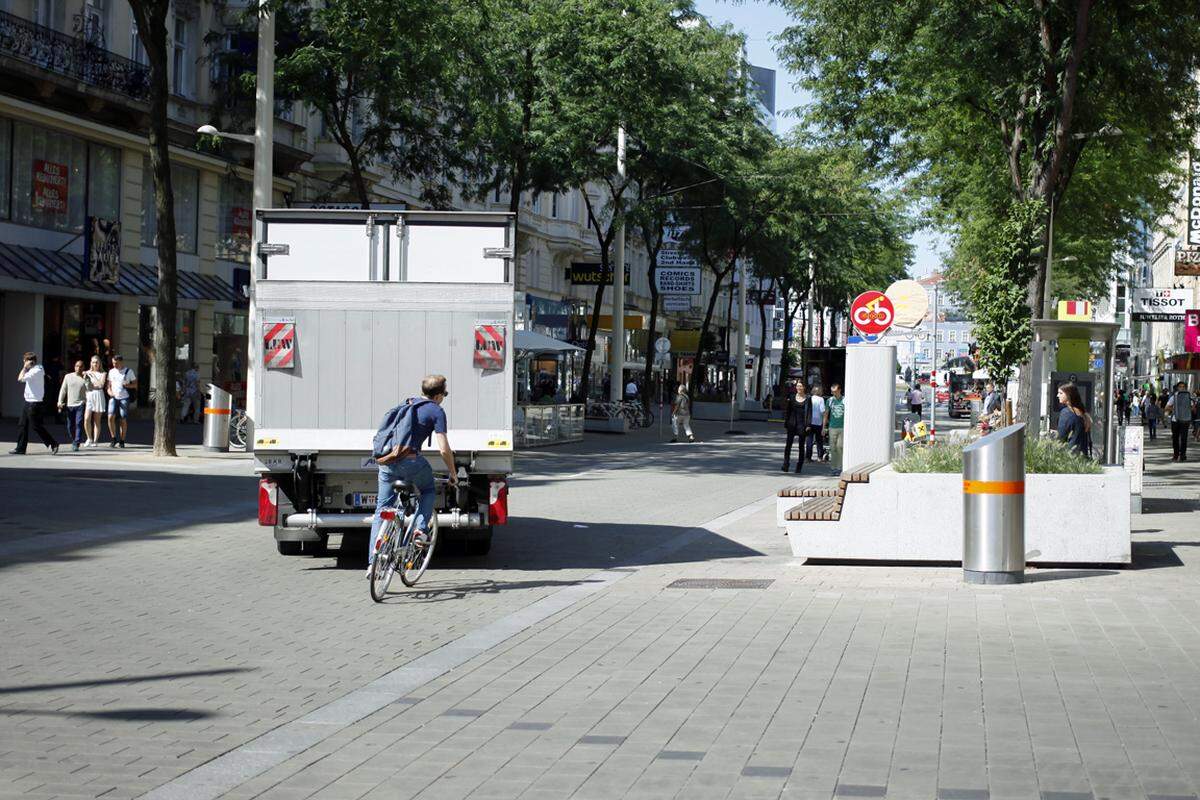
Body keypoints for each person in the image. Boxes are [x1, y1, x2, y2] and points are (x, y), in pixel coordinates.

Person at [367, 374, 458, 578]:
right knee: (427, 490)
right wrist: (452, 473)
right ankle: (419, 530)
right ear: (439, 395)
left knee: (382, 509)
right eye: (444, 393)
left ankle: (373, 563)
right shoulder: (436, 410)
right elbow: (444, 449)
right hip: (411, 462)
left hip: (387, 462)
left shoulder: (407, 403)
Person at [11, 352, 59, 455]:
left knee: (35, 426)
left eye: (25, 361)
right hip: (28, 401)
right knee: (22, 425)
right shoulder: (36, 369)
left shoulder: (35, 371)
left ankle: (53, 443)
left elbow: (19, 378)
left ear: (29, 362)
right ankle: (20, 448)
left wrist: (24, 368)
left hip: (34, 403)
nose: (24, 362)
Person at [106, 354, 137, 448]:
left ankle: (122, 440)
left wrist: (127, 385)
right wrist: (109, 392)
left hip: (124, 397)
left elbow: (135, 384)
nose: (114, 365)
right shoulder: (111, 371)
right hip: (113, 397)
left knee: (122, 418)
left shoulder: (128, 371)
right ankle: (113, 438)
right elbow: (108, 385)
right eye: (113, 363)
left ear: (121, 362)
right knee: (110, 416)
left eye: (116, 363)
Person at [57, 360, 88, 451]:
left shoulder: (85, 378)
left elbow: (90, 389)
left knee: (78, 423)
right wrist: (60, 402)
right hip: (70, 405)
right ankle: (74, 440)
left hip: (81, 404)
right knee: (70, 425)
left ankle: (77, 442)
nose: (78, 368)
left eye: (80, 366)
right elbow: (63, 390)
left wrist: (87, 379)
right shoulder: (68, 376)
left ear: (83, 368)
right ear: (74, 367)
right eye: (76, 366)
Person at [782, 381, 811, 473]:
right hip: (792, 423)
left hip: (802, 425)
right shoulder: (791, 397)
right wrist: (786, 422)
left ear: (804, 387)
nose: (799, 388)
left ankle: (799, 466)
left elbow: (810, 412)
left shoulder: (808, 399)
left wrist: (808, 425)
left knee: (801, 446)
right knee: (788, 445)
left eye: (801, 386)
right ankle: (786, 464)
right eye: (797, 386)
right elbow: (788, 411)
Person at [1055, 383, 1087, 454]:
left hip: (1069, 457)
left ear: (1068, 395)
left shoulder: (1066, 413)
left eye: (1060, 393)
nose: (1058, 395)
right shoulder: (1081, 412)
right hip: (1081, 456)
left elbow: (1060, 438)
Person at [1165, 382, 1193, 461]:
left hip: (1185, 420)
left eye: (1183, 387)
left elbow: (1192, 409)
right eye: (1180, 386)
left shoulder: (1188, 397)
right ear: (1177, 388)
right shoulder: (1173, 397)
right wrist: (1175, 409)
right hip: (1175, 420)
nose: (1182, 388)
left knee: (1184, 438)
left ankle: (1183, 455)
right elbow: (1166, 407)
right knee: (1175, 438)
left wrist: (1191, 408)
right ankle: (1176, 455)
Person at [83, 355, 107, 447]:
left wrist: (92, 382)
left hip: (98, 395)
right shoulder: (86, 372)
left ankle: (95, 440)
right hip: (89, 395)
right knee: (86, 418)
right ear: (91, 363)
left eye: (97, 362)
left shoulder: (103, 373)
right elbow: (85, 385)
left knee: (97, 420)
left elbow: (101, 385)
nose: (95, 364)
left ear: (99, 363)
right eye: (93, 362)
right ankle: (89, 438)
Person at [826, 383, 845, 476]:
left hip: (842, 427)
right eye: (832, 391)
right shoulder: (830, 400)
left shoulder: (845, 400)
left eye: (835, 391)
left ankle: (839, 467)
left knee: (840, 447)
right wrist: (823, 427)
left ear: (839, 390)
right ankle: (833, 468)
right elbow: (826, 414)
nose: (833, 393)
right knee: (833, 448)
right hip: (832, 427)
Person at [806, 384, 827, 465]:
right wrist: (825, 423)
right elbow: (823, 411)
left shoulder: (809, 398)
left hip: (809, 422)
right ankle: (819, 457)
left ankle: (808, 457)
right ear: (819, 392)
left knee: (809, 440)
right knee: (819, 441)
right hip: (818, 422)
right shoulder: (821, 399)